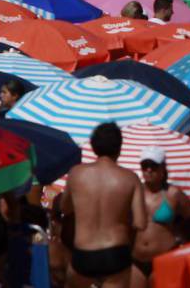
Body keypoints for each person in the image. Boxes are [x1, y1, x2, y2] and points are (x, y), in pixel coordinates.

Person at [62, 123, 147, 287]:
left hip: (84, 251)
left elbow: (65, 208)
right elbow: (140, 223)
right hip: (116, 251)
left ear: (93, 147)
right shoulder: (130, 178)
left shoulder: (76, 174)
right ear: (119, 148)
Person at [132, 146, 190, 282]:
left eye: (153, 166)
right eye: (144, 165)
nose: (148, 170)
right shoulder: (134, 192)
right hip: (135, 261)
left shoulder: (174, 194)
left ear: (163, 168)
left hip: (164, 258)